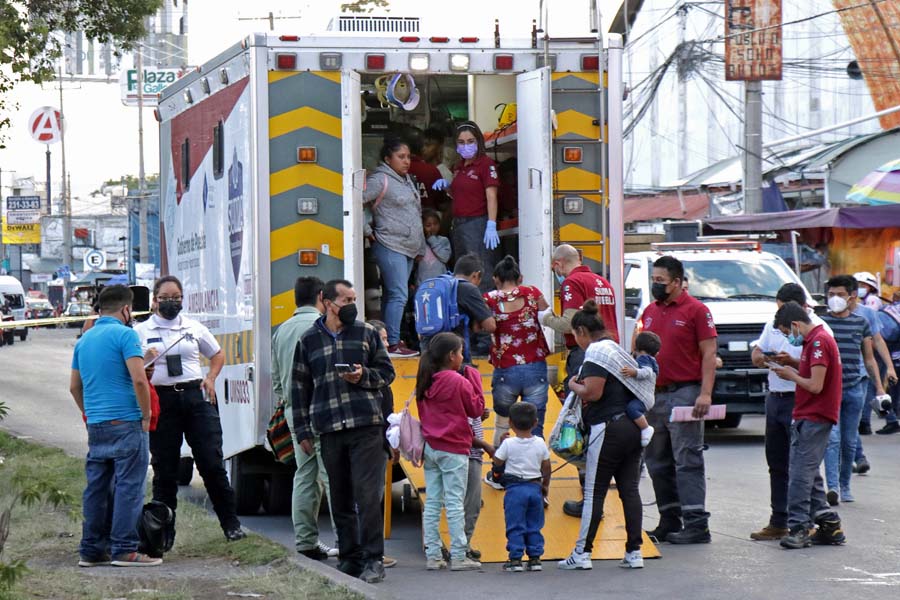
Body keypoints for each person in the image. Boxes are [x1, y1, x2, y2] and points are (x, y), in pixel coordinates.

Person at [292, 279, 395, 584]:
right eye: (345, 300)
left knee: (367, 497)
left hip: (366, 427)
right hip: (330, 428)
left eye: (354, 299)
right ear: (326, 301)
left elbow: (387, 373)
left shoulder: (366, 333)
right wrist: (302, 432)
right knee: (340, 498)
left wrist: (364, 376)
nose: (351, 305)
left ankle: (373, 559)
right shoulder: (308, 340)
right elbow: (300, 389)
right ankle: (350, 559)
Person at [135, 276, 245, 543]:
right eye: (165, 298)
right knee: (166, 470)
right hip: (162, 401)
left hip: (195, 398)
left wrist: (211, 377)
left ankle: (231, 525)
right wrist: (146, 365)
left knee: (211, 463)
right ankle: (162, 534)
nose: (171, 303)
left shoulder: (193, 328)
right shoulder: (140, 330)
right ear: (154, 300)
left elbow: (217, 354)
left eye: (176, 298)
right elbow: (134, 368)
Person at [70, 285, 160, 567]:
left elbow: (74, 386)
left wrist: (90, 414)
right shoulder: (126, 335)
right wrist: (145, 417)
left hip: (97, 425)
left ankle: (91, 550)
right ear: (125, 309)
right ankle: (124, 549)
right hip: (127, 422)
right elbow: (139, 380)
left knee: (96, 488)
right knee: (129, 487)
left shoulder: (84, 340)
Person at [559, 301, 647, 571]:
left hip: (608, 428)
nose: (577, 341)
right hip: (632, 427)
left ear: (583, 331)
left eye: (575, 335)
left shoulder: (596, 352)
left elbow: (593, 393)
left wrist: (573, 384)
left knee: (594, 492)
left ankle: (582, 553)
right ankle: (634, 552)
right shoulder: (616, 349)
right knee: (629, 490)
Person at [639, 256, 717, 544]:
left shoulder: (697, 310)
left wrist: (705, 393)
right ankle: (669, 520)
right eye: (654, 279)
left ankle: (697, 524)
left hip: (685, 393)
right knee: (657, 460)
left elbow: (709, 353)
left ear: (676, 282)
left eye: (661, 280)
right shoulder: (649, 311)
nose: (655, 285)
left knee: (688, 459)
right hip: (655, 395)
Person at [748, 283, 833, 541]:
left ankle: (808, 521)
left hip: (800, 399)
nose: (780, 319)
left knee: (802, 467)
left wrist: (792, 366)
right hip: (776, 397)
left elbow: (818, 372)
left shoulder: (819, 332)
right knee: (777, 462)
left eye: (784, 312)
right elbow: (757, 351)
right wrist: (763, 358)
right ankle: (781, 519)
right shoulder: (775, 324)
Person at [542, 244, 619, 518]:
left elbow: (570, 323)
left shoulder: (572, 282)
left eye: (555, 268)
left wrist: (545, 317)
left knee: (581, 427)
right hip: (612, 356)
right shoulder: (602, 282)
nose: (556, 273)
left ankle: (589, 502)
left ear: (559, 264)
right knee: (603, 425)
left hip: (587, 356)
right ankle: (598, 499)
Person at [768, 303, 846, 549]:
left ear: (795, 325)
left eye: (786, 332)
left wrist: (791, 376)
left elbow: (815, 385)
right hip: (808, 415)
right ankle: (828, 523)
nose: (788, 337)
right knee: (808, 474)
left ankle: (799, 526)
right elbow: (813, 373)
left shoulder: (818, 341)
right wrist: (792, 362)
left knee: (800, 475)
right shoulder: (812, 342)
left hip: (815, 415)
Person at [271, 276, 337, 560]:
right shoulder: (321, 328)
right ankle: (348, 541)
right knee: (333, 476)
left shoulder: (282, 330)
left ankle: (306, 542)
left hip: (294, 413)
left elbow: (276, 381)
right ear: (322, 297)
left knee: (306, 476)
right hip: (322, 412)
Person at [415, 332, 484, 572]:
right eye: (461, 352)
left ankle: (433, 555)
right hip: (454, 448)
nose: (463, 357)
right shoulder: (458, 380)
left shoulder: (426, 379)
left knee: (433, 502)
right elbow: (476, 408)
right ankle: (458, 555)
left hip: (432, 446)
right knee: (455, 503)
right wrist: (474, 377)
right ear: (451, 356)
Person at [819, 275, 884, 505]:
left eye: (840, 295)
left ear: (852, 296)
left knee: (849, 441)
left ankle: (845, 486)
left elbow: (869, 358)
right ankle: (833, 487)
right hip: (829, 392)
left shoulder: (861, 322)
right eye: (831, 295)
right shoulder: (821, 324)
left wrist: (878, 386)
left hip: (855, 389)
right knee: (832, 440)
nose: (834, 299)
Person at [364, 135, 427, 358]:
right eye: (401, 157)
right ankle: (392, 343)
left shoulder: (406, 179)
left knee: (396, 295)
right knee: (398, 294)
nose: (407, 161)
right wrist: (366, 230)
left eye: (408, 156)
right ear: (387, 158)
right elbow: (357, 200)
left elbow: (415, 214)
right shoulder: (380, 179)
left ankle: (392, 339)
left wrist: (420, 247)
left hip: (409, 247)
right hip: (390, 244)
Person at [483, 255, 551, 447]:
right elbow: (546, 316)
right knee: (535, 424)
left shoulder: (489, 299)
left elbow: (482, 326)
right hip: (535, 365)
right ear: (520, 277)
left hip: (505, 367)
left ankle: (499, 469)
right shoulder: (532, 293)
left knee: (503, 423)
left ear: (496, 278)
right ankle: (536, 469)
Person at [434, 121, 500, 293]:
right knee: (463, 270)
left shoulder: (485, 164)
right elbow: (460, 195)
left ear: (478, 141)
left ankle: (485, 311)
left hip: (477, 223)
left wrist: (491, 224)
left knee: (480, 269)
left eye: (470, 141)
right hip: (459, 225)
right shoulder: (459, 167)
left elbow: (491, 196)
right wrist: (447, 186)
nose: (466, 146)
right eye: (461, 142)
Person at [493, 402, 551, 573]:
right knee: (534, 524)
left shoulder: (509, 444)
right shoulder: (540, 442)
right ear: (535, 423)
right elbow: (546, 466)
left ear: (510, 423)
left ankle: (516, 559)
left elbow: (497, 461)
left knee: (516, 524)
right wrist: (545, 485)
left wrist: (502, 443)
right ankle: (535, 559)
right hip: (535, 488)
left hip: (515, 490)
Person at [419, 253, 496, 361]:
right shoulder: (468, 288)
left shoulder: (439, 286)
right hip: (453, 356)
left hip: (427, 354)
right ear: (475, 275)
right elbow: (490, 326)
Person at [619, 331, 660, 447]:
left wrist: (634, 372)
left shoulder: (644, 358)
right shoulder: (645, 358)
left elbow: (647, 372)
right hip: (647, 397)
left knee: (632, 408)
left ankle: (646, 428)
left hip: (644, 398)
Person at [406, 127, 446, 211]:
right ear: (421, 146)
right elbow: (444, 204)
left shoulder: (394, 169)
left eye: (428, 144)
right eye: (425, 144)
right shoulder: (431, 171)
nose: (425, 148)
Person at [416, 209, 452, 286]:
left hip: (441, 282)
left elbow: (444, 257)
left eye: (435, 224)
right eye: (428, 225)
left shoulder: (444, 241)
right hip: (422, 283)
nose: (432, 227)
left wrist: (432, 240)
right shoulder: (420, 242)